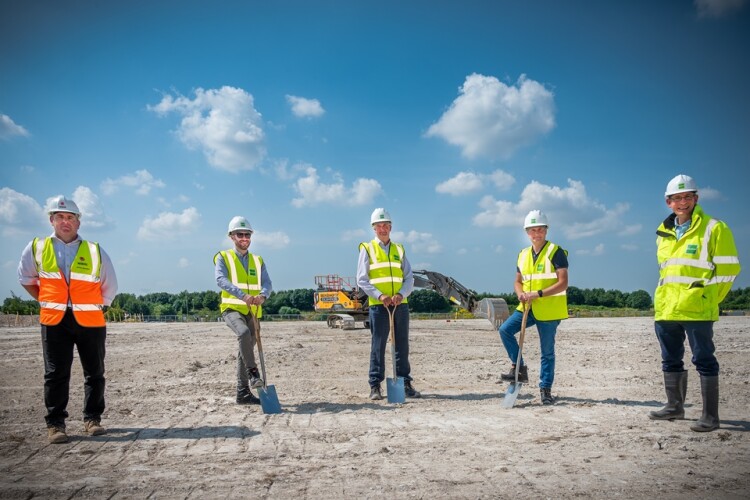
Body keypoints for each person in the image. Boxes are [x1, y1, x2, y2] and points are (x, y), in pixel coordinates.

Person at [17, 196, 118, 444]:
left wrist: (97, 308)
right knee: (55, 374)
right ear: (51, 220)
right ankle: (55, 425)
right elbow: (26, 278)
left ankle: (92, 419)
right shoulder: (37, 248)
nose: (65, 221)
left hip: (91, 321)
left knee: (94, 372)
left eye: (70, 217)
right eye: (60, 217)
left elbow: (110, 286)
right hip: (54, 320)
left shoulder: (95, 250)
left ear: (78, 222)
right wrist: (46, 301)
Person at [649, 174, 740, 432]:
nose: (682, 202)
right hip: (667, 309)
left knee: (704, 360)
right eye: (676, 198)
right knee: (670, 360)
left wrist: (707, 298)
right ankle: (674, 407)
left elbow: (729, 271)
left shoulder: (714, 228)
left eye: (687, 196)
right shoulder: (662, 232)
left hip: (697, 309)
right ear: (668, 202)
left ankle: (710, 417)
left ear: (696, 199)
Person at [498, 210, 569, 405]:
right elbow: (518, 281)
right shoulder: (522, 255)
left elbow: (563, 283)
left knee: (547, 352)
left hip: (548, 309)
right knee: (505, 330)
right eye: (532, 230)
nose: (536, 233)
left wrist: (537, 294)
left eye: (540, 229)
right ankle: (519, 366)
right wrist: (520, 293)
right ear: (526, 232)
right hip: (526, 307)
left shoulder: (556, 251)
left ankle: (545, 389)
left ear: (546, 230)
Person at [357, 208, 420, 400]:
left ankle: (404, 382)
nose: (383, 229)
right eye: (379, 226)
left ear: (391, 227)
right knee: (378, 345)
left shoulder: (399, 249)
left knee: (402, 345)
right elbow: (362, 279)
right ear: (373, 229)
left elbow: (409, 277)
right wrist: (380, 295)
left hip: (400, 304)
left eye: (386, 225)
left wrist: (401, 294)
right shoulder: (367, 249)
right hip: (379, 306)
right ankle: (375, 385)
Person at [214, 216, 273, 406]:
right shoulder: (223, 257)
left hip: (253, 312)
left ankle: (243, 393)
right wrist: (243, 295)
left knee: (244, 350)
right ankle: (254, 373)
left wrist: (263, 296)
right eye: (240, 234)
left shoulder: (258, 260)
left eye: (247, 234)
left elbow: (267, 283)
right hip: (232, 308)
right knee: (243, 333)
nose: (244, 238)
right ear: (232, 236)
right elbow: (221, 280)